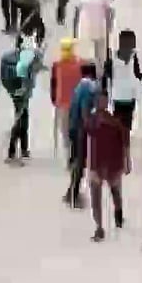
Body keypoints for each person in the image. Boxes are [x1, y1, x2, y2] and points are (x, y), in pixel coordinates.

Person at [86, 90, 129, 242]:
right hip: (98, 163)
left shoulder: (113, 121)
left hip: (111, 163)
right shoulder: (93, 120)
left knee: (114, 193)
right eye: (99, 101)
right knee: (97, 197)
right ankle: (100, 226)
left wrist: (126, 161)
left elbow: (124, 142)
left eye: (103, 101)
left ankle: (117, 215)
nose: (101, 104)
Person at [64, 62, 100, 209]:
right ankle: (73, 196)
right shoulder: (89, 87)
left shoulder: (79, 86)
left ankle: (70, 193)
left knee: (77, 161)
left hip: (73, 127)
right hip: (81, 129)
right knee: (80, 163)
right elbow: (85, 110)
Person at [103, 29, 142, 136]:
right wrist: (105, 91)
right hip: (118, 98)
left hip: (130, 98)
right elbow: (106, 76)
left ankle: (124, 144)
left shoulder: (134, 58)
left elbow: (137, 73)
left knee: (127, 125)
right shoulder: (112, 59)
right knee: (118, 125)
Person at [3, 34, 41, 165]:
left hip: (17, 92)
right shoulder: (26, 58)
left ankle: (21, 149)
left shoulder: (10, 57)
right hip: (21, 93)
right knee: (20, 119)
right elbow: (31, 73)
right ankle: (13, 150)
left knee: (22, 117)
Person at [51, 37, 85, 152]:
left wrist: (54, 99)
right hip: (78, 103)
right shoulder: (81, 64)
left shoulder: (57, 65)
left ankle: (68, 152)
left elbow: (53, 84)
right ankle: (76, 152)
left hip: (62, 103)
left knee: (65, 131)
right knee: (77, 129)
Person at [74, 0, 114, 69]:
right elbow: (110, 13)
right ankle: (100, 70)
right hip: (100, 28)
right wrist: (110, 26)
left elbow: (77, 14)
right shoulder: (104, 0)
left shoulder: (84, 0)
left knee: (89, 52)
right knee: (100, 52)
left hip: (88, 29)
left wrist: (76, 31)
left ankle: (92, 69)